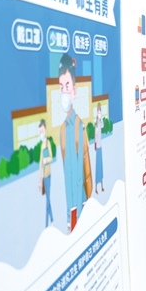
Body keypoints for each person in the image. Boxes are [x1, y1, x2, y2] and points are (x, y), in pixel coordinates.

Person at [58, 53, 92, 232]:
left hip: (81, 204)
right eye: (61, 87)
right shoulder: (62, 130)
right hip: (69, 208)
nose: (64, 92)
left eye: (67, 86)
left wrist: (83, 205)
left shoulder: (79, 126)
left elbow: (85, 171)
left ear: (74, 91)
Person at [37, 119, 54, 227]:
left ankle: (46, 224)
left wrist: (46, 160)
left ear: (45, 131)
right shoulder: (42, 145)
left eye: (42, 131)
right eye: (40, 132)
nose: (41, 133)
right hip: (43, 176)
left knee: (47, 199)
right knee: (47, 197)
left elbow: (51, 157)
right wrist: (39, 180)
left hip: (48, 175)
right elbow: (40, 163)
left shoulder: (48, 144)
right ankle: (51, 218)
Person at [94, 103, 104, 194]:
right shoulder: (96, 122)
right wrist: (95, 143)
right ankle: (96, 187)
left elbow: (103, 126)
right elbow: (95, 133)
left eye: (100, 111)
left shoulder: (100, 121)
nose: (99, 113)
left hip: (100, 146)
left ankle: (102, 185)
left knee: (101, 165)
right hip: (97, 145)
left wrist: (101, 119)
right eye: (98, 111)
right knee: (97, 166)